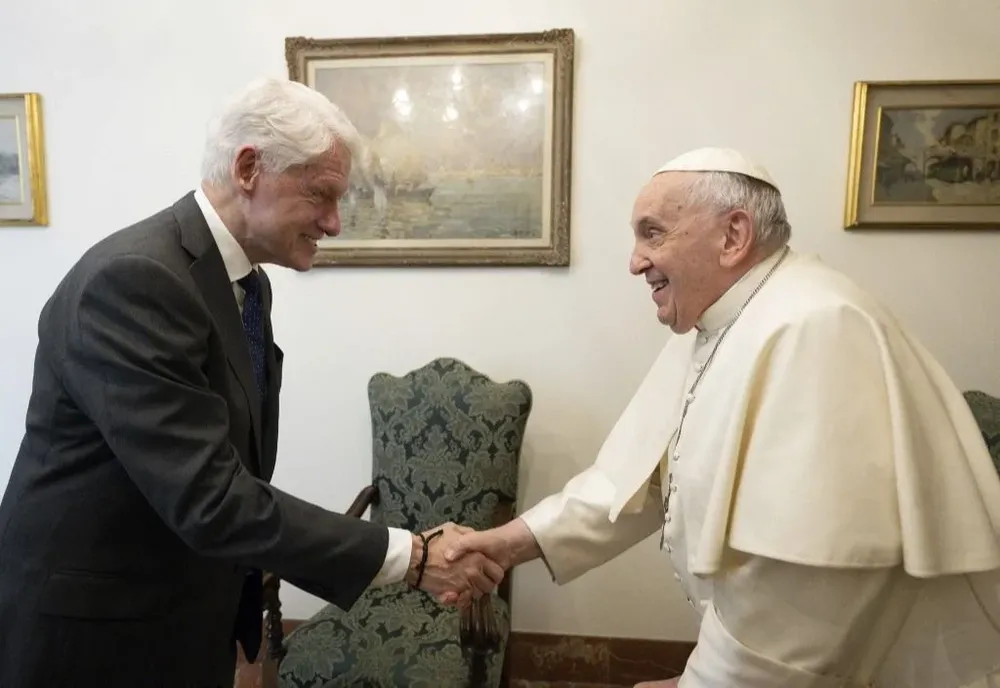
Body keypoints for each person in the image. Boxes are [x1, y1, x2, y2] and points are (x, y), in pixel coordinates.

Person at [0, 78, 501, 687]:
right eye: (322, 195)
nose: (335, 223)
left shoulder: (245, 283)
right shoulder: (135, 280)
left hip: (177, 616)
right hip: (94, 633)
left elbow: (236, 468)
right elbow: (211, 498)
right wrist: (413, 557)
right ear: (247, 168)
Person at [444, 147, 1000, 687]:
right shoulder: (725, 319)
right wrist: (510, 543)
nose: (634, 261)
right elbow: (641, 478)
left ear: (733, 237)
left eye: (652, 232)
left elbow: (805, 592)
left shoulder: (815, 328)